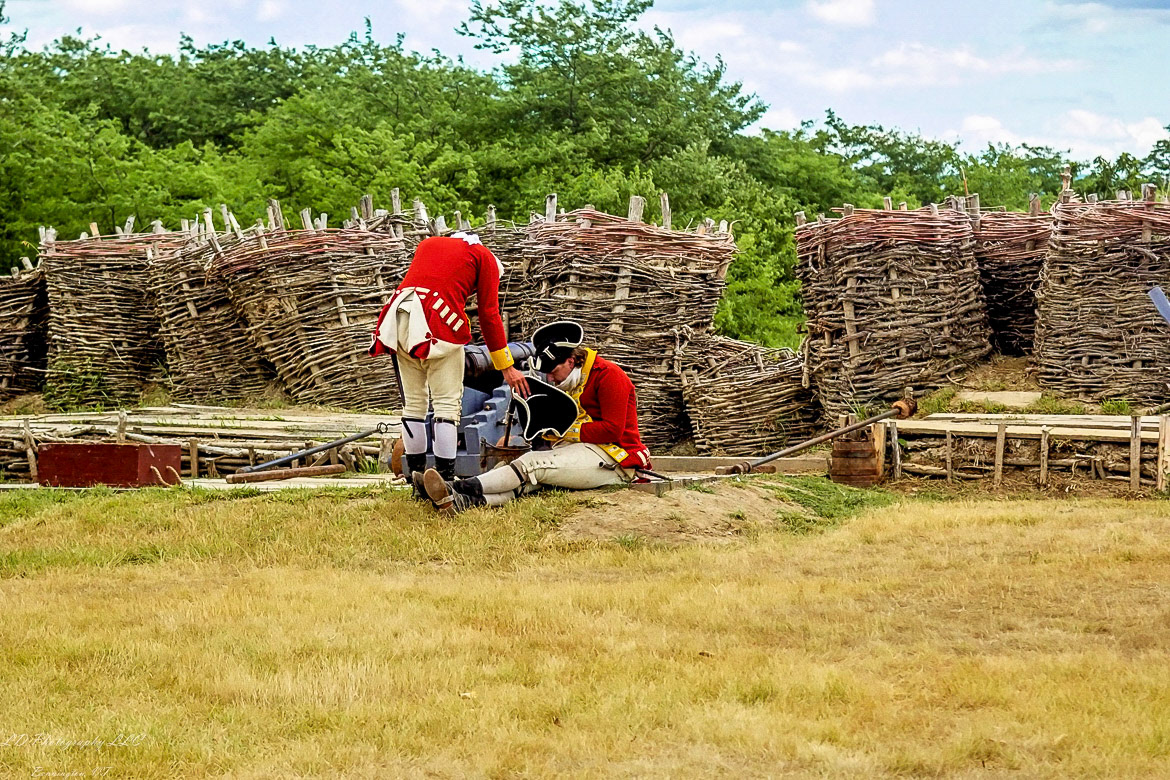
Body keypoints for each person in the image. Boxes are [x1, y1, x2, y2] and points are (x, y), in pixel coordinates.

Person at [422, 321, 651, 514]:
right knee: (533, 480)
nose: (550, 379)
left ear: (570, 361)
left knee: (534, 464)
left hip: (616, 457)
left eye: (553, 372)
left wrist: (563, 432)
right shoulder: (574, 378)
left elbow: (613, 430)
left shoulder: (610, 376)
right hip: (587, 449)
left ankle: (455, 487)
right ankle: (461, 503)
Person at [369, 231, 529, 495]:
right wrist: (506, 366)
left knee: (414, 405)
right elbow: (489, 315)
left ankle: (417, 482)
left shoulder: (430, 243)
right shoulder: (484, 258)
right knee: (446, 404)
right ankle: (445, 482)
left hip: (397, 320)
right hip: (437, 323)